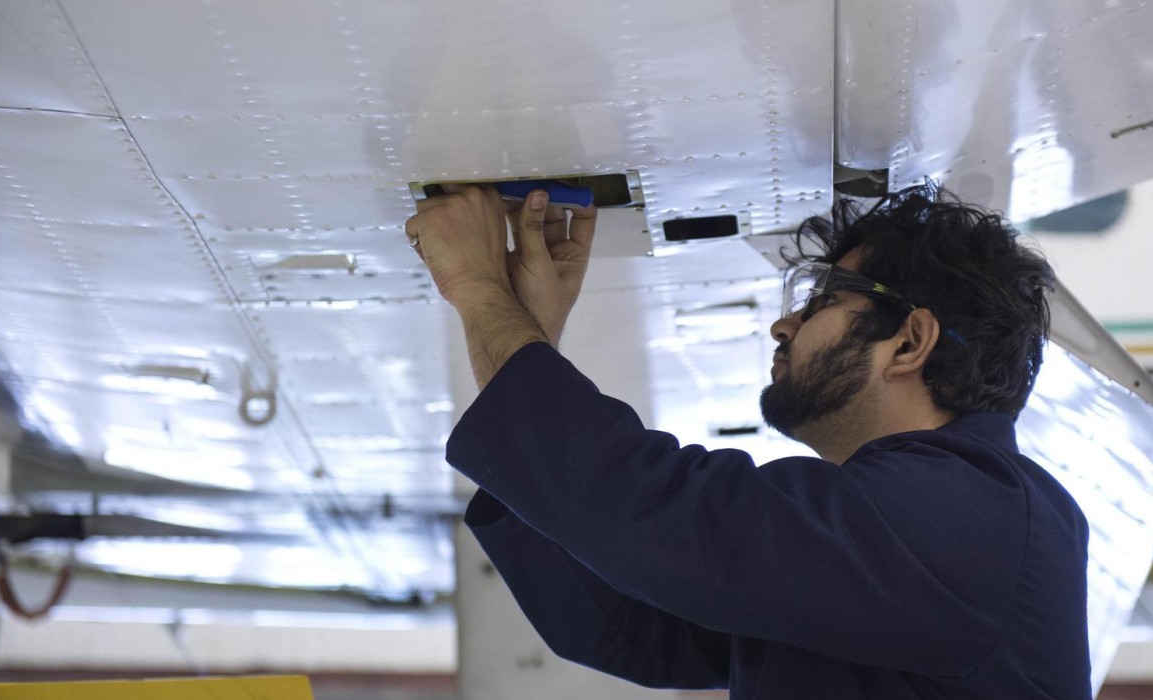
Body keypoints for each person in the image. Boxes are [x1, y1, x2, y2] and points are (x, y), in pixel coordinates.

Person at [404, 182, 1091, 699]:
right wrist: (524, 337)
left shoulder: (976, 517)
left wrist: (477, 288)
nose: (784, 326)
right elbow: (629, 624)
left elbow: (663, 524)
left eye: (822, 300)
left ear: (908, 341)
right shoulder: (918, 542)